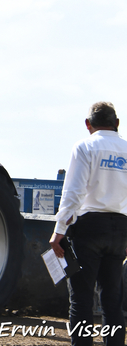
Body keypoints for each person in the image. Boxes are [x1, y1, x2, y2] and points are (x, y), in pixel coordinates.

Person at [49, 102, 127, 346]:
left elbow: (73, 192)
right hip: (120, 230)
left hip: (88, 228)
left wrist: (58, 230)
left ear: (88, 124)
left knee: (81, 299)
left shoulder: (84, 147)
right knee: (113, 300)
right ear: (117, 123)